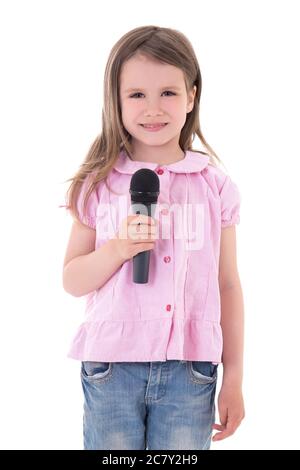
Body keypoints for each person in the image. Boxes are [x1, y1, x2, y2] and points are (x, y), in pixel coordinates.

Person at [62, 25, 245, 450]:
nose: (153, 108)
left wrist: (233, 376)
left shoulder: (214, 185)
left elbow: (229, 284)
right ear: (117, 100)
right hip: (112, 367)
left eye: (168, 93)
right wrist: (117, 250)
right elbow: (72, 279)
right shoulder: (99, 184)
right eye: (137, 95)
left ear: (192, 97)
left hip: (191, 370)